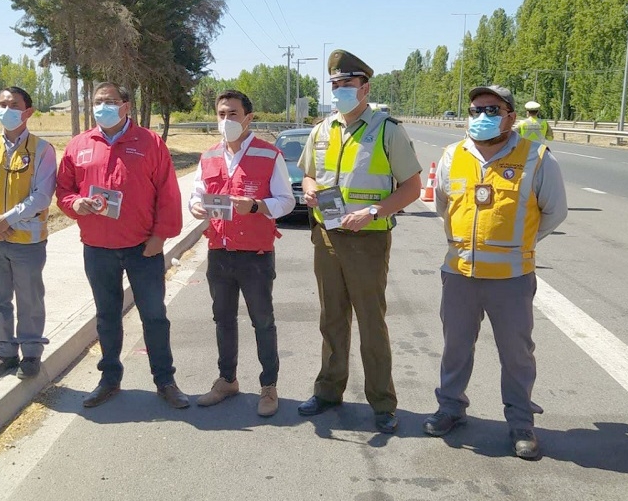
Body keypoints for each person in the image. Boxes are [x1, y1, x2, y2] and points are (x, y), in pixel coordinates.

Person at [423, 85, 567, 460]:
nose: (481, 116)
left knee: (517, 354)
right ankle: (450, 408)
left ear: (511, 116)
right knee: (455, 347)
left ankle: (521, 422)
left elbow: (554, 213)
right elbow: (443, 206)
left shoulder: (536, 157)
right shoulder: (453, 156)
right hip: (459, 275)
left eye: (492, 109)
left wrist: (517, 243)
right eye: (475, 110)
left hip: (511, 280)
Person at [297, 49, 423, 433]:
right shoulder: (321, 129)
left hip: (367, 240)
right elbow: (308, 174)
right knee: (331, 319)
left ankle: (382, 403)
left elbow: (413, 188)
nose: (340, 91)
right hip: (327, 237)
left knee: (371, 322)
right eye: (335, 85)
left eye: (347, 85)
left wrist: (372, 212)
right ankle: (328, 390)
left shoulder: (387, 129)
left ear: (365, 88)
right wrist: (309, 190)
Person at [56, 81, 189, 409]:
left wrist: (160, 237)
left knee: (154, 315)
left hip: (143, 248)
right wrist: (76, 204)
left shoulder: (149, 143)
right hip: (98, 248)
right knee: (107, 316)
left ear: (126, 106)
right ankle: (110, 378)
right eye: (98, 101)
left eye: (110, 101)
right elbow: (64, 190)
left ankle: (165, 380)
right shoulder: (79, 145)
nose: (103, 106)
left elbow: (168, 194)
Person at [188, 90, 295, 417]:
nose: (226, 120)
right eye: (221, 114)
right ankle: (227, 379)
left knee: (262, 321)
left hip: (256, 255)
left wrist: (257, 206)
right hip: (219, 252)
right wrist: (195, 207)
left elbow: (287, 201)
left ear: (248, 117)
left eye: (232, 114)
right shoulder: (208, 157)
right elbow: (197, 194)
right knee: (223, 319)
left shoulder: (269, 155)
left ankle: (269, 386)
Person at [0, 86, 57, 380]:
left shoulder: (42, 150)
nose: (6, 109)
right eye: (2, 104)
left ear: (27, 112)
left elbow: (42, 195)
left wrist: (8, 219)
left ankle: (30, 353)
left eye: (13, 104)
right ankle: (5, 352)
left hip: (26, 241)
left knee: (29, 299)